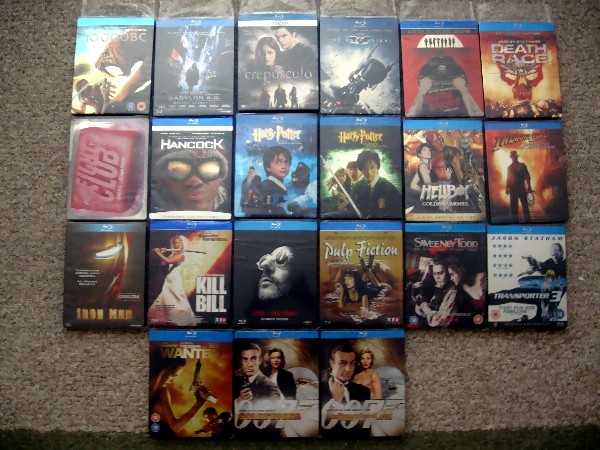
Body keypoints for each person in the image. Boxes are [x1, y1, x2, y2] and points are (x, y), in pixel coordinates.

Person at [153, 146, 229, 214]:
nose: (195, 182)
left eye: (209, 169)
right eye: (178, 170)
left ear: (221, 176)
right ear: (162, 179)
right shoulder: (149, 206)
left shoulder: (232, 203)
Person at [149, 356, 211, 438]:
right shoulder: (162, 392)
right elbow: (175, 427)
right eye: (173, 374)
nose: (172, 380)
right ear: (164, 369)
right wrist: (199, 403)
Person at [320, 344, 371, 437]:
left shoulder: (364, 392)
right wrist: (336, 401)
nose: (348, 369)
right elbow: (322, 432)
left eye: (352, 363)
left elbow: (365, 430)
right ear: (332, 363)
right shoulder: (320, 391)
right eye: (342, 363)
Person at [147, 236, 196, 326]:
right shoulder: (172, 254)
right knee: (165, 297)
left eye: (179, 242)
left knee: (178, 298)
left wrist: (159, 253)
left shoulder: (181, 255)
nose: (177, 244)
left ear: (182, 243)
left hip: (175, 280)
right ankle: (169, 319)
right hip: (168, 279)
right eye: (175, 243)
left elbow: (169, 261)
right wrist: (162, 253)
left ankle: (184, 319)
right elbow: (163, 263)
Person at [350, 150, 402, 218]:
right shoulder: (356, 188)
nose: (369, 172)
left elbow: (398, 212)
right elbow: (351, 211)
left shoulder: (388, 187)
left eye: (372, 167)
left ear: (378, 167)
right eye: (365, 168)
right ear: (361, 170)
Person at [413, 259, 458, 327]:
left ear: (448, 273)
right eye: (434, 274)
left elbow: (440, 322)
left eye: (440, 273)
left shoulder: (452, 292)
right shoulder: (440, 288)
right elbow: (429, 311)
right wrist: (420, 302)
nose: (437, 277)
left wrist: (423, 306)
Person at [446, 258, 486, 324]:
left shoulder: (482, 278)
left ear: (460, 271)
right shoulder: (459, 291)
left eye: (452, 274)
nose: (451, 278)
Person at [505, 150, 533, 222]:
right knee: (514, 207)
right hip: (513, 189)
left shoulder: (522, 166)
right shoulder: (509, 167)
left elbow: (527, 177)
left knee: (525, 206)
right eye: (512, 157)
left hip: (521, 188)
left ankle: (528, 221)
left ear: (516, 157)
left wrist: (529, 188)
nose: (513, 158)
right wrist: (506, 188)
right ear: (511, 158)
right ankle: (515, 221)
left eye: (514, 156)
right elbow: (508, 179)